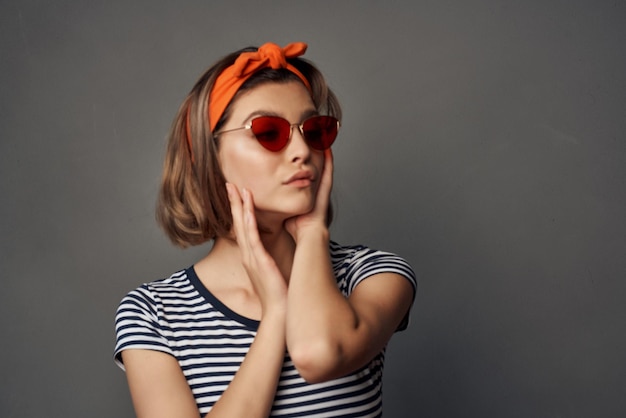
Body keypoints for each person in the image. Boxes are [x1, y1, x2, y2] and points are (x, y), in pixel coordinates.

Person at [114, 41, 417, 418]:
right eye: (268, 132)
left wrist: (312, 234)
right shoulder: (153, 313)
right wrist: (274, 314)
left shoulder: (372, 274)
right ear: (207, 157)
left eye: (313, 130)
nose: (302, 151)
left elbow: (318, 353)